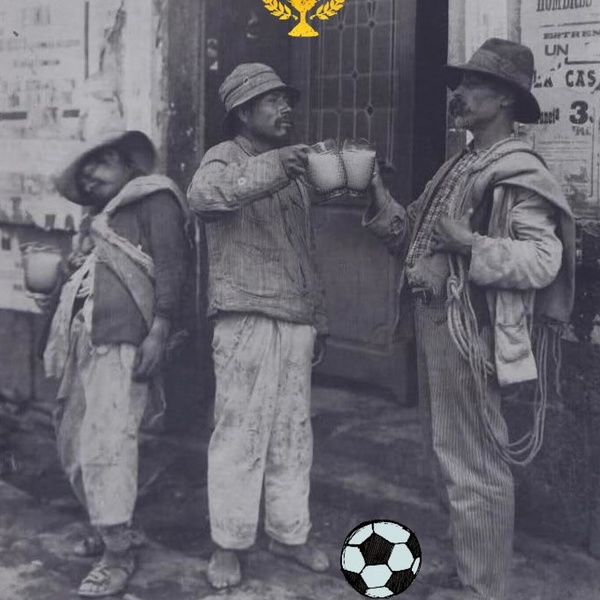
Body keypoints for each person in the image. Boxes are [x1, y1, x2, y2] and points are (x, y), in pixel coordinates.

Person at [363, 39, 575, 600]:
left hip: (470, 331)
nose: (458, 93)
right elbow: (409, 236)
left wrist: (471, 245)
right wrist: (375, 192)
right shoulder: (458, 166)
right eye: (459, 83)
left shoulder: (516, 170)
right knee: (446, 455)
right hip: (435, 324)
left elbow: (543, 260)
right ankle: (469, 570)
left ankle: (483, 588)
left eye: (473, 84)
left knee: (474, 465)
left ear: (505, 98)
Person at [187, 63, 329, 589]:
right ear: (244, 113)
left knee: (293, 432)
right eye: (273, 101)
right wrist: (275, 164)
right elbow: (204, 197)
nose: (285, 108)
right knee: (239, 433)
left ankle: (289, 533)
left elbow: (304, 250)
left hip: (294, 317)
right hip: (246, 316)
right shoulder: (224, 157)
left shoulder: (293, 172)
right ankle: (228, 544)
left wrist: (318, 316)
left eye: (286, 100)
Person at [39, 130, 191, 598]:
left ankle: (117, 555)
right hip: (82, 342)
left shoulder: (155, 199)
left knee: (107, 444)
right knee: (72, 438)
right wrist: (63, 278)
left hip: (123, 341)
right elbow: (87, 280)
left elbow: (172, 267)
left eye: (100, 162)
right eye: (84, 174)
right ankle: (111, 525)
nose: (90, 176)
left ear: (127, 163)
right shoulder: (96, 221)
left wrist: (159, 331)